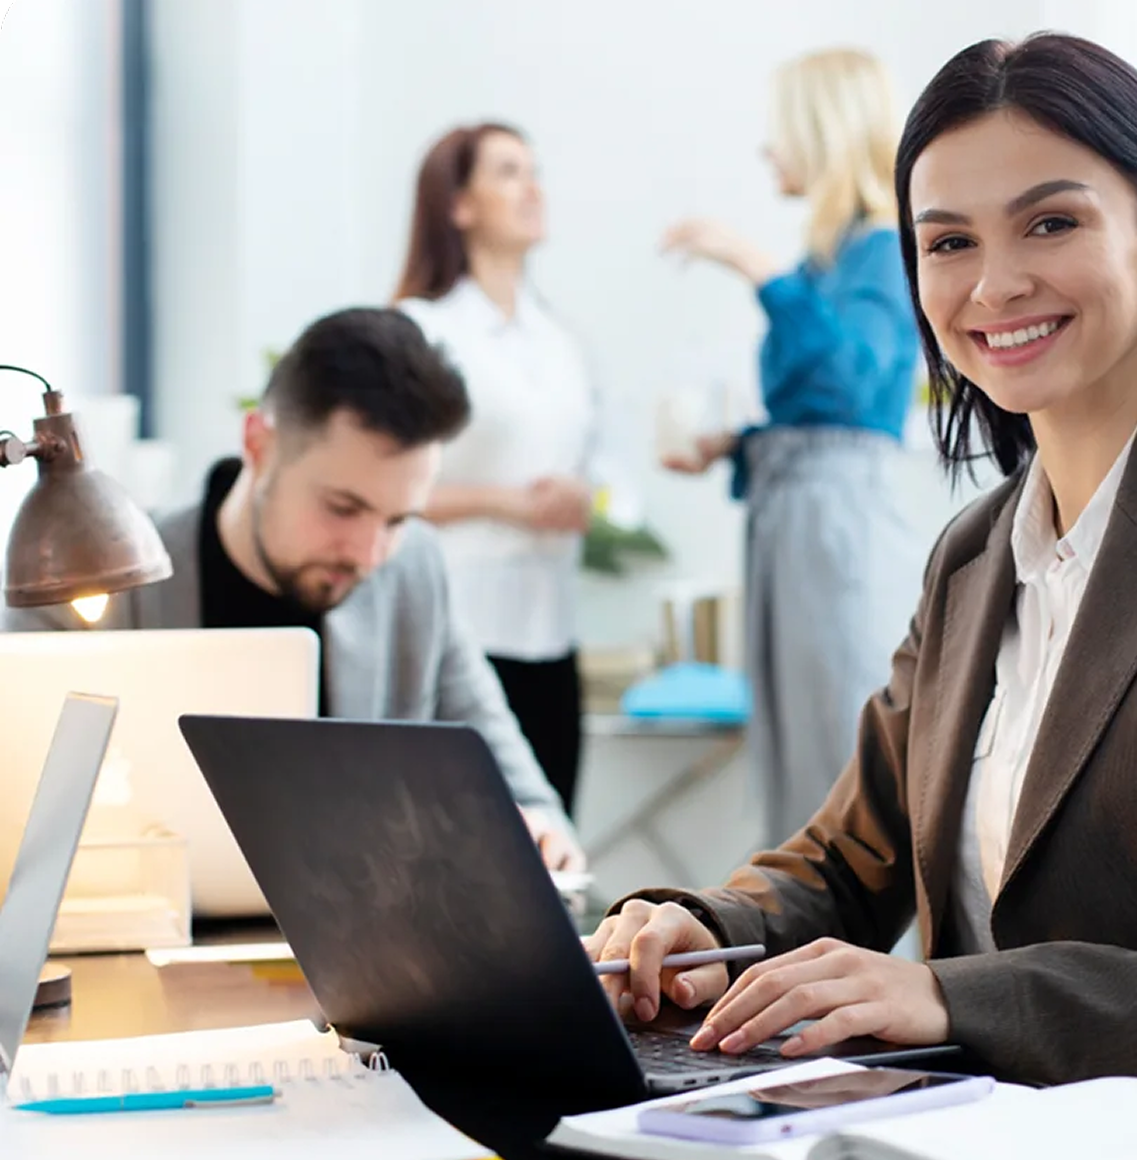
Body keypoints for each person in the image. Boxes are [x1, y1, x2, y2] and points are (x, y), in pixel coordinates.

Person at [585, 32, 1137, 1118]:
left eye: (1051, 222)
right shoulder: (974, 552)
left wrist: (951, 995)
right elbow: (851, 857)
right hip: (950, 1126)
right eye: (948, 242)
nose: (994, 283)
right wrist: (702, 928)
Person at [2, 307, 585, 871]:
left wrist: (537, 831)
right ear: (258, 444)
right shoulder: (95, 579)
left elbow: (525, 790)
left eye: (397, 519)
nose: (369, 554)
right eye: (343, 508)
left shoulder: (414, 572)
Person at [659, 48, 923, 847]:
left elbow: (851, 382)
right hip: (796, 518)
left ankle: (853, 927)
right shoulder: (827, 261)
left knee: (837, 749)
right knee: (793, 755)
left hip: (834, 525)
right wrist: (734, 445)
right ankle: (799, 922)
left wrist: (755, 268)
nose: (768, 149)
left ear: (822, 131)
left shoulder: (882, 248)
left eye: (781, 130)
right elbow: (822, 407)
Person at [393, 123, 604, 818]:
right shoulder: (423, 330)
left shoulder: (559, 338)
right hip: (465, 632)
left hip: (553, 636)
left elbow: (594, 465)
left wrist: (584, 497)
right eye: (509, 173)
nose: (533, 188)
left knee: (553, 846)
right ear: (459, 205)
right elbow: (385, 491)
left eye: (535, 171)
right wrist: (505, 503)